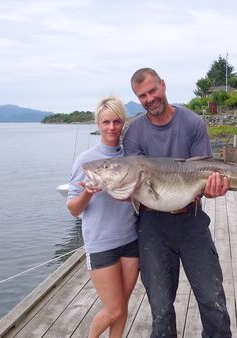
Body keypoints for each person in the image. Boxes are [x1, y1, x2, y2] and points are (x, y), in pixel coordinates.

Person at [123, 68, 232, 338]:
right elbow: (132, 184)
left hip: (191, 220)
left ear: (163, 85)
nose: (150, 98)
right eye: (142, 96)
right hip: (152, 227)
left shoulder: (193, 123)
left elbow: (205, 179)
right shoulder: (134, 132)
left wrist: (213, 189)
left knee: (213, 302)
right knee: (160, 310)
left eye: (153, 90)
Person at [67, 96, 139, 338]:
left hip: (131, 241)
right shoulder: (86, 161)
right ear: (98, 123)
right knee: (114, 308)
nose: (111, 128)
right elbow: (73, 209)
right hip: (101, 245)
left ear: (123, 123)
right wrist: (87, 193)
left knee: (122, 309)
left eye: (116, 121)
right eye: (106, 122)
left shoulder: (132, 157)